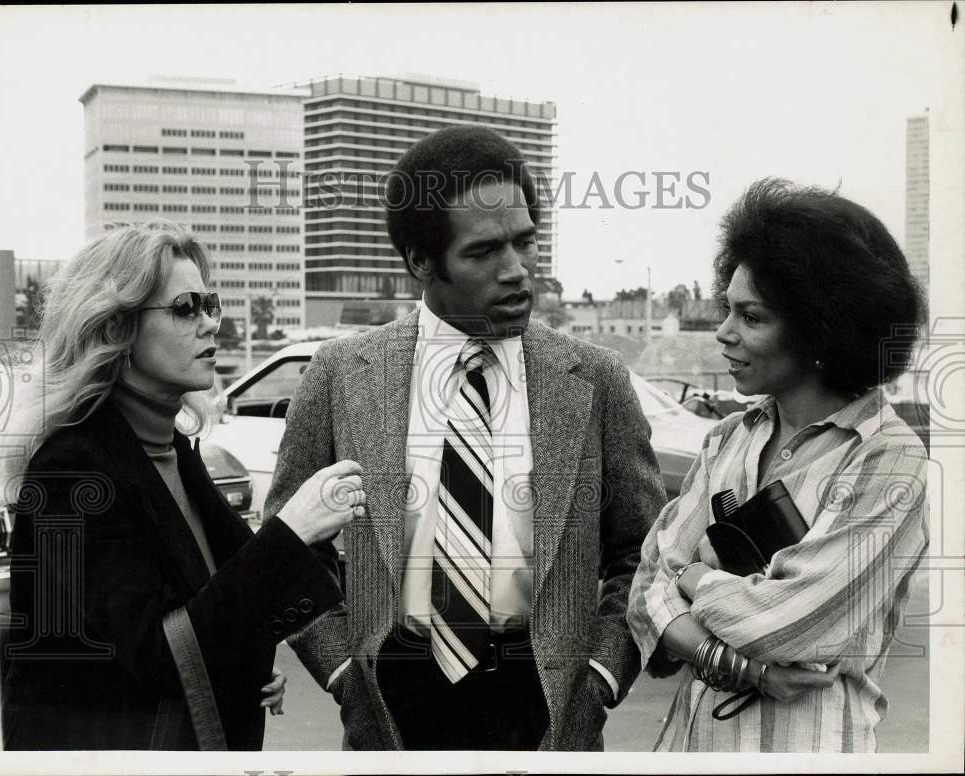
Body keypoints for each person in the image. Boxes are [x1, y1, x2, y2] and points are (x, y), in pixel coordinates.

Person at [264, 125, 667, 751]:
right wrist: (346, 673)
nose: (516, 272)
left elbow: (643, 556)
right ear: (421, 262)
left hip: (545, 716)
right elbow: (289, 548)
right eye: (483, 253)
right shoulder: (342, 375)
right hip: (394, 713)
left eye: (525, 243)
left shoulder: (595, 380)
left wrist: (600, 679)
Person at [0, 222, 365, 750]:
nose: (212, 324)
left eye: (209, 304)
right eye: (185, 307)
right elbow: (160, 655)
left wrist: (241, 670)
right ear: (115, 329)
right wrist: (291, 528)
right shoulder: (71, 472)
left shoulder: (174, 451)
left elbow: (217, 605)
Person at [625, 178, 929, 752]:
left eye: (752, 317)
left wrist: (691, 579)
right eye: (727, 309)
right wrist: (746, 667)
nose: (723, 331)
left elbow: (790, 626)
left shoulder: (889, 459)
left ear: (822, 327)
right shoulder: (725, 440)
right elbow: (646, 590)